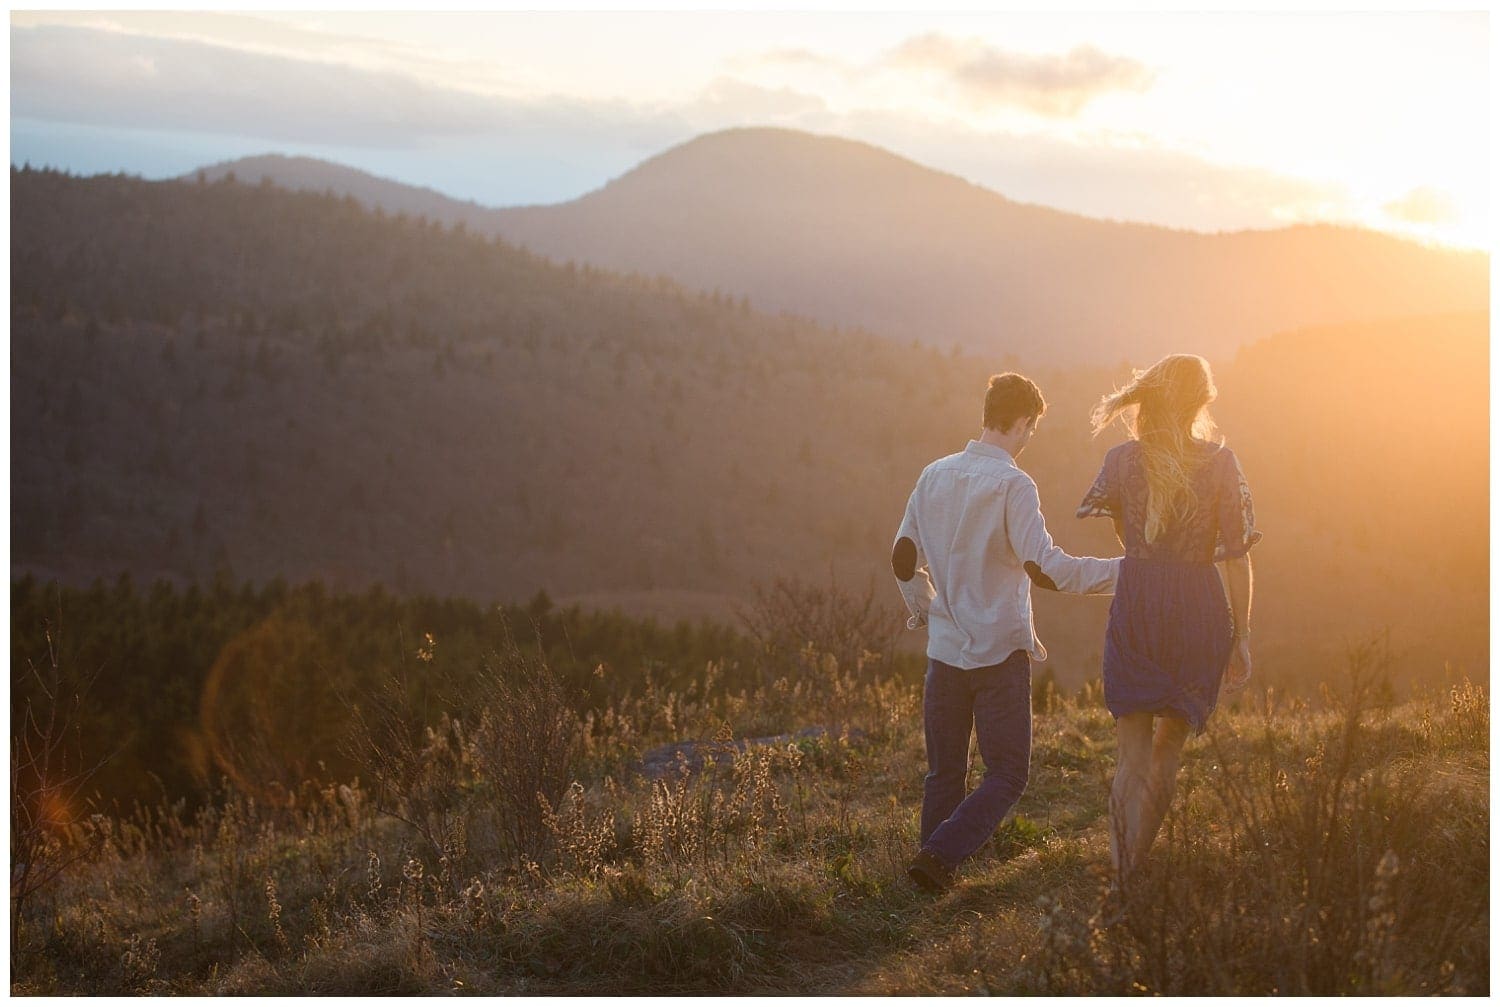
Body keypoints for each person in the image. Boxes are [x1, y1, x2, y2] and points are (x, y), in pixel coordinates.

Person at [893, 372, 1120, 892]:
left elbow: (903, 558)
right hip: (998, 653)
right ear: (1022, 422)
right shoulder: (1014, 484)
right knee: (1008, 775)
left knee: (944, 774)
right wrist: (1126, 572)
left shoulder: (933, 475)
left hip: (944, 652)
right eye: (1030, 430)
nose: (1028, 439)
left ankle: (929, 876)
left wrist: (928, 612)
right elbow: (1046, 568)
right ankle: (940, 857)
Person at [1068, 353, 1259, 884]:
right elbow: (1238, 556)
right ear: (1200, 403)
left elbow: (1127, 537)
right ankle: (1131, 876)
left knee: (1130, 755)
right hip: (1198, 606)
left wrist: (1149, 563)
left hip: (1138, 602)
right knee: (1168, 747)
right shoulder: (1221, 463)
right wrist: (1241, 637)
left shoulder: (1122, 461)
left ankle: (1119, 869)